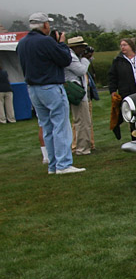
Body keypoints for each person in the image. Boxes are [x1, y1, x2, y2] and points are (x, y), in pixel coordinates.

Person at [16, 13, 83, 174]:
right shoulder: (46, 41)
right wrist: (61, 44)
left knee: (47, 127)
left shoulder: (22, 43)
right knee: (60, 125)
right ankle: (63, 164)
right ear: (45, 25)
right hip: (50, 86)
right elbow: (64, 60)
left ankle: (53, 165)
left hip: (33, 88)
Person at [108, 38, 136, 140]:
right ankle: (135, 137)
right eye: (121, 45)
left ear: (131, 46)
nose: (122, 47)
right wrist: (113, 90)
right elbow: (112, 76)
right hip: (127, 91)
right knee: (132, 116)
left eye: (125, 45)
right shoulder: (118, 61)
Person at [65, 36, 93, 156]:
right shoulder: (71, 57)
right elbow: (81, 70)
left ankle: (82, 146)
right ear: (75, 47)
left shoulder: (73, 56)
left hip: (78, 92)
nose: (83, 50)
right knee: (82, 121)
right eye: (81, 47)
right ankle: (82, 149)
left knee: (82, 121)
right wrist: (86, 59)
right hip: (77, 93)